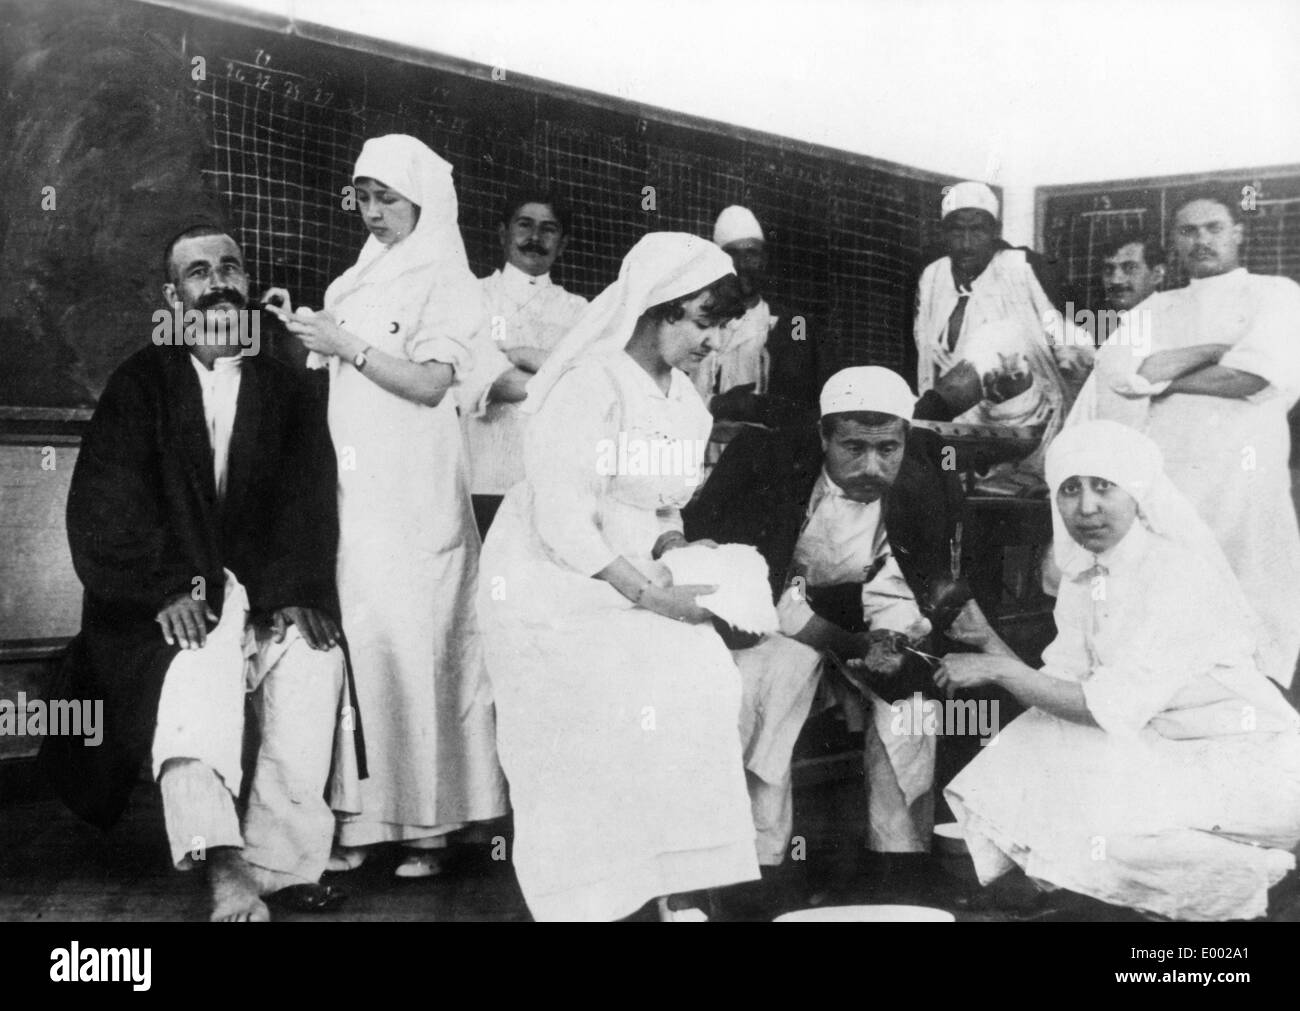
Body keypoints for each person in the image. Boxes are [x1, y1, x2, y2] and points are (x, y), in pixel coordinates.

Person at [39, 225, 356, 921]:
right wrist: (165, 589)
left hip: (261, 593)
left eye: (231, 268)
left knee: (314, 658)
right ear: (172, 295)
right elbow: (103, 510)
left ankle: (281, 861)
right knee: (200, 669)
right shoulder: (139, 384)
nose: (218, 281)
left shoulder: (285, 388)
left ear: (247, 282)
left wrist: (294, 592)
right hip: (158, 606)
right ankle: (224, 863)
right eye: (199, 272)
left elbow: (307, 505)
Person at [476, 232, 762, 921]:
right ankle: (596, 896)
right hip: (557, 582)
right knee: (611, 694)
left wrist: (681, 551)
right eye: (701, 320)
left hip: (641, 575)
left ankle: (675, 882)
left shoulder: (687, 403)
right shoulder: (589, 383)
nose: (712, 341)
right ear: (656, 308)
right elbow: (564, 521)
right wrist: (651, 593)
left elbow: (666, 502)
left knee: (706, 679)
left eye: (720, 325)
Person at [939, 420, 1300, 921]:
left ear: (1138, 492)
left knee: (1095, 820)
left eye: (1103, 486)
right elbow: (1059, 692)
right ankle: (1085, 889)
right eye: (1070, 489)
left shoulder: (1175, 573)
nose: (1086, 507)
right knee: (1039, 747)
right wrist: (988, 643)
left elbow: (1103, 708)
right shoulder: (1088, 574)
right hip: (1164, 750)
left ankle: (1254, 881)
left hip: (1247, 764)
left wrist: (996, 669)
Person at [274, 134, 508, 878]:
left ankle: (430, 829)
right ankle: (369, 819)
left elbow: (432, 383)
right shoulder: (356, 278)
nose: (372, 212)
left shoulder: (449, 277)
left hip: (417, 496)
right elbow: (338, 362)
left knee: (421, 649)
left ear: (424, 202)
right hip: (359, 490)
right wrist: (305, 324)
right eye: (363, 196)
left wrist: (344, 342)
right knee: (370, 647)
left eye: (388, 199)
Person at [686, 366, 993, 896]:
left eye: (887, 447)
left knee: (913, 703)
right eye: (853, 447)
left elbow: (910, 582)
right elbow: (744, 591)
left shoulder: (923, 477)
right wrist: (845, 643)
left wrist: (896, 642)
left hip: (866, 616)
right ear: (824, 436)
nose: (872, 465)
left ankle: (896, 867)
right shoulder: (764, 464)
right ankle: (759, 867)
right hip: (763, 618)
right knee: (763, 686)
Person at [1066, 190, 1300, 688]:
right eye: (1188, 231)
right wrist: (1216, 351)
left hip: (1244, 489)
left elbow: (1252, 377)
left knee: (1250, 626)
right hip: (1169, 487)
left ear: (1239, 233)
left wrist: (1157, 377)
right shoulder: (1156, 308)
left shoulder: (1274, 294)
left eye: (1214, 228)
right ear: (1174, 242)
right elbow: (1119, 373)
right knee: (1164, 626)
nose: (1201, 240)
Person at [913, 181, 1092, 476]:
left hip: (1029, 410)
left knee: (1000, 336)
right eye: (958, 230)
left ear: (995, 232)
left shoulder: (1020, 268)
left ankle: (921, 420)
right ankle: (922, 422)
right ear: (944, 233)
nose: (967, 242)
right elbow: (925, 356)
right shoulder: (933, 277)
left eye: (978, 230)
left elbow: (1077, 352)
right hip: (960, 417)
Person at [459, 191, 588, 536]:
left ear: (562, 244)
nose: (535, 238)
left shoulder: (580, 312)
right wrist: (560, 370)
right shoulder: (474, 297)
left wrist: (520, 354)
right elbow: (495, 383)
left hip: (554, 487)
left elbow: (589, 388)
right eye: (525, 225)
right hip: (484, 479)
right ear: (503, 233)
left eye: (548, 229)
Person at [694, 205, 819, 425]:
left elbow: (801, 400)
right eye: (731, 254)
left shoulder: (789, 325)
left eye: (751, 253)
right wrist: (718, 405)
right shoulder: (694, 321)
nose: (742, 265)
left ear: (763, 260)